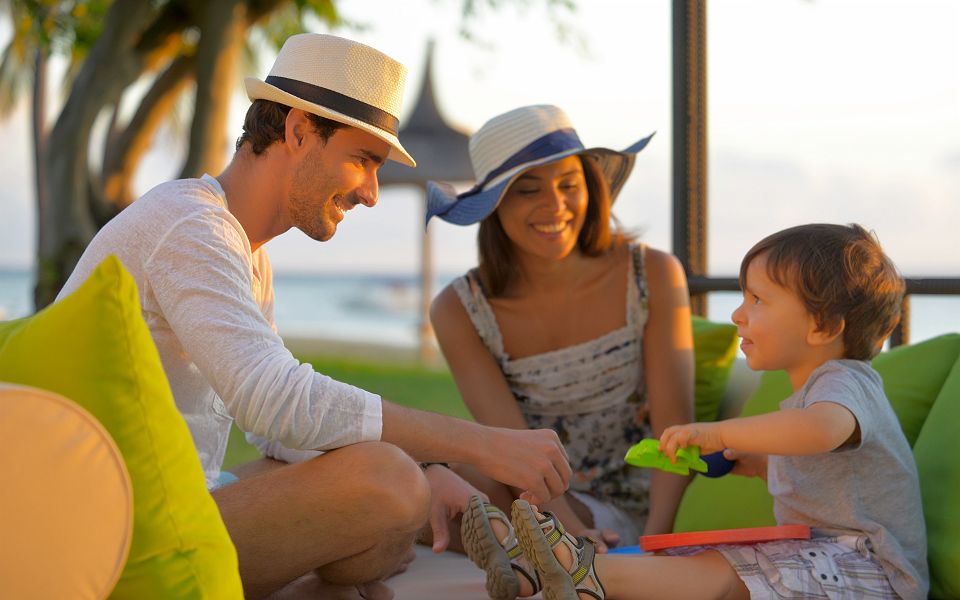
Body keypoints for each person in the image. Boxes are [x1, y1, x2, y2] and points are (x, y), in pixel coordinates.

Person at [56, 34, 571, 599]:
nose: (372, 193)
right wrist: (481, 445)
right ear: (299, 131)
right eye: (362, 160)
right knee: (387, 485)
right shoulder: (191, 227)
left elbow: (272, 428)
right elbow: (278, 402)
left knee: (392, 488)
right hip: (104, 531)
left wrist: (426, 470)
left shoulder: (243, 250)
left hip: (169, 500)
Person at [493, 223, 929, 600]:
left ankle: (576, 569)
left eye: (758, 300)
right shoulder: (812, 394)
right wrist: (761, 465)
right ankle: (544, 572)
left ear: (824, 326)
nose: (739, 314)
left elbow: (821, 430)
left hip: (873, 575)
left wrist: (723, 434)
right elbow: (823, 461)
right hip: (821, 561)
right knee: (705, 561)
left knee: (722, 574)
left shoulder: (845, 382)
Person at [426, 105, 695, 599]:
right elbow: (507, 443)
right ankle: (534, 554)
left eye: (569, 184)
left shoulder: (653, 273)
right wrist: (563, 529)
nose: (555, 205)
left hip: (627, 508)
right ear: (494, 205)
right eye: (528, 189)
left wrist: (659, 541)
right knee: (435, 475)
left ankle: (529, 556)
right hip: (527, 488)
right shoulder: (458, 308)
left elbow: (674, 430)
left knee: (455, 490)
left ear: (591, 188)